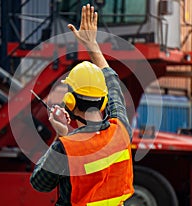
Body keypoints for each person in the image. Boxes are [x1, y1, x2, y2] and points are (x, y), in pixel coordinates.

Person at [30, 4, 134, 206]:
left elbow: (39, 183)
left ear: (70, 102)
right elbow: (113, 85)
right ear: (104, 101)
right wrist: (92, 45)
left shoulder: (67, 147)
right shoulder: (121, 130)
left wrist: (62, 135)